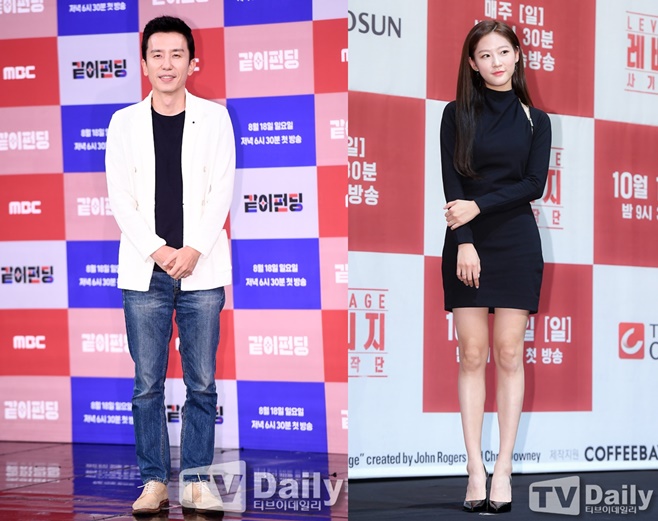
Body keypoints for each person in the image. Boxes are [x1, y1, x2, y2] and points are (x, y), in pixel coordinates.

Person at [105, 15, 235, 516]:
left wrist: (193, 249)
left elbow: (221, 190)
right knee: (147, 384)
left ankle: (197, 482)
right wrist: (159, 250)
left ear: (191, 62)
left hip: (202, 269)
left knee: (202, 382)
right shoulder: (123, 123)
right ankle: (154, 481)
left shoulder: (215, 118)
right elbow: (121, 198)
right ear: (144, 64)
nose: (166, 64)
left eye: (176, 54)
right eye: (156, 55)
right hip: (146, 271)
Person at [440, 20, 551, 513]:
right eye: (485, 55)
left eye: (503, 52)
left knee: (509, 353)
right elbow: (453, 186)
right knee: (471, 353)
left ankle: (503, 468)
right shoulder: (455, 114)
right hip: (466, 242)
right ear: (472, 63)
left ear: (517, 55)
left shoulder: (535, 119)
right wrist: (464, 241)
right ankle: (474, 468)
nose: (496, 62)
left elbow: (533, 185)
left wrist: (479, 207)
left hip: (516, 240)